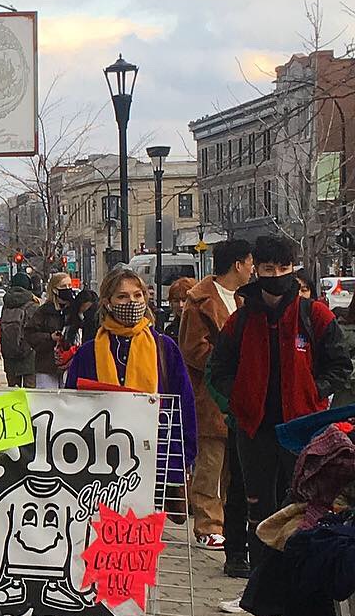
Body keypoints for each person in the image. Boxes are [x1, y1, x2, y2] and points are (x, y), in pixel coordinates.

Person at [209, 234, 353, 570]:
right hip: (254, 427)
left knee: (301, 504)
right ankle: (260, 579)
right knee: (257, 505)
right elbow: (218, 369)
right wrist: (236, 400)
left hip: (303, 427)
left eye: (284, 267)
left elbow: (340, 365)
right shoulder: (241, 320)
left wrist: (314, 391)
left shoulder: (314, 315)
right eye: (269, 268)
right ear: (257, 269)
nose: (277, 274)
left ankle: (295, 576)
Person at [64, 270, 198, 494]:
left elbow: (184, 405)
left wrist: (181, 460)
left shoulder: (164, 348)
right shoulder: (89, 352)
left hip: (156, 461)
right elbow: (70, 406)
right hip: (99, 465)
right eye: (122, 297)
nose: (132, 302)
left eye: (137, 295)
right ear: (107, 302)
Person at [179, 240, 253, 559]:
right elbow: (193, 350)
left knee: (233, 466)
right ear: (237, 264)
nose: (253, 269)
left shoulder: (244, 299)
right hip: (211, 394)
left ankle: (228, 523)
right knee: (210, 463)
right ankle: (208, 525)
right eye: (250, 262)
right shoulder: (200, 302)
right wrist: (229, 361)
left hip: (240, 394)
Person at [26, 271, 74, 389]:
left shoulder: (74, 310)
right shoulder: (44, 311)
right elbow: (30, 334)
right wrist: (50, 337)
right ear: (54, 290)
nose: (67, 289)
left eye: (69, 286)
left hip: (71, 365)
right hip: (47, 366)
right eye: (63, 286)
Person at [0, 271, 42, 387]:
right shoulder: (33, 305)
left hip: (9, 356)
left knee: (13, 394)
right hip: (29, 357)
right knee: (30, 395)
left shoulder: (6, 305)